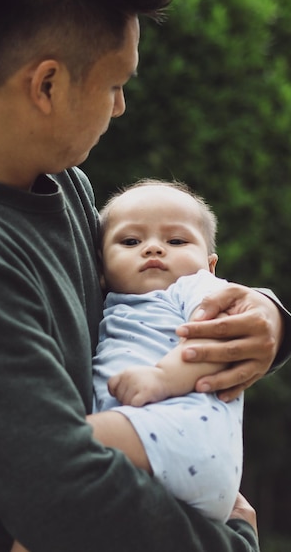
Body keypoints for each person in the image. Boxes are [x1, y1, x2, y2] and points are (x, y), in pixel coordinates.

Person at [0, 0, 291, 551]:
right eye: (116, 84)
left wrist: (266, 320)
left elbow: (152, 298)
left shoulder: (65, 189)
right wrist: (231, 543)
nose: (120, 107)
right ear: (48, 85)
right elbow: (67, 494)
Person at [90, 179, 243, 523]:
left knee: (55, 450)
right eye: (131, 241)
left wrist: (164, 377)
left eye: (176, 240)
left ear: (210, 264)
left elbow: (221, 338)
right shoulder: (107, 305)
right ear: (100, 268)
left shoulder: (196, 288)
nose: (154, 249)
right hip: (151, 450)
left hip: (184, 433)